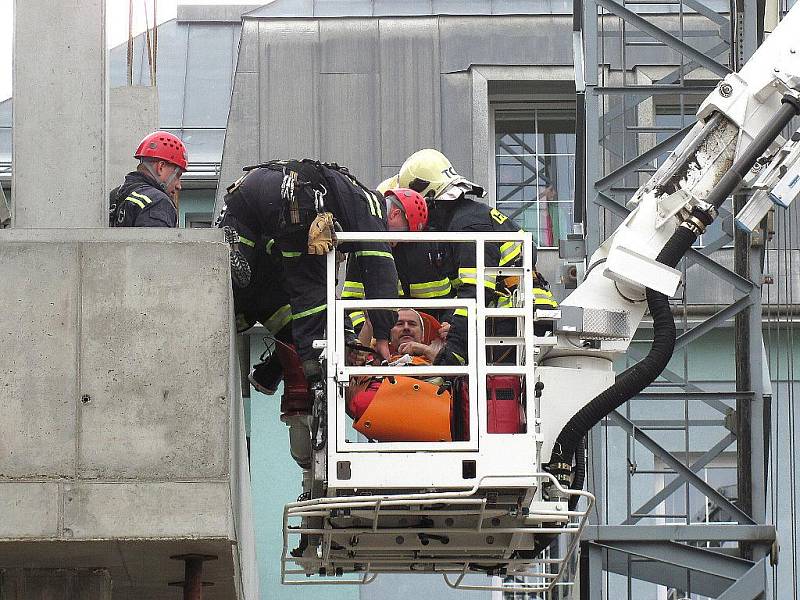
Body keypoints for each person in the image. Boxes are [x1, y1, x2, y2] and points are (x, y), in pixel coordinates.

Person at [216, 159, 401, 385]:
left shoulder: (348, 195)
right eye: (401, 234)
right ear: (395, 215)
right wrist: (382, 335)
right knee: (310, 288)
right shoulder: (372, 207)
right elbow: (380, 271)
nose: (395, 243)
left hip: (249, 188)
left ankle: (236, 254)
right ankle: (310, 364)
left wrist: (347, 337)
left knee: (240, 277)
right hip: (294, 201)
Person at [395, 148, 557, 365]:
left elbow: (475, 292)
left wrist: (452, 353)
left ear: (429, 196)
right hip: (515, 314)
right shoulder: (464, 219)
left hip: (515, 316)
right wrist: (451, 324)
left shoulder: (467, 226)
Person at [343, 187, 454, 331]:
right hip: (377, 341)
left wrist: (448, 322)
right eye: (406, 230)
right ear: (395, 214)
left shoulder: (432, 244)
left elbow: (455, 294)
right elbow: (351, 301)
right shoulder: (365, 245)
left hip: (424, 336)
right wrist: (365, 335)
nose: (404, 240)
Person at [109, 131, 187, 227]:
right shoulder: (157, 202)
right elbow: (156, 242)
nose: (178, 185)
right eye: (177, 175)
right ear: (161, 167)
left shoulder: (115, 196)